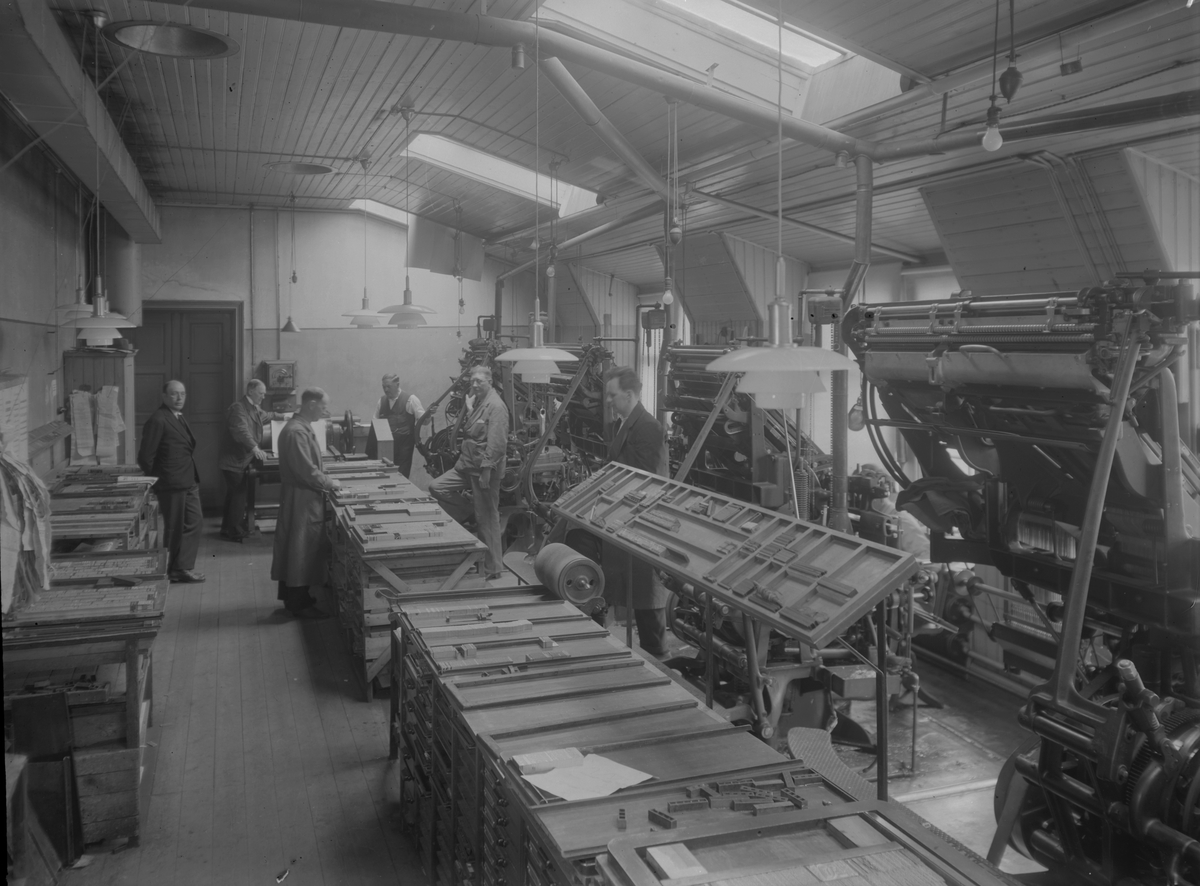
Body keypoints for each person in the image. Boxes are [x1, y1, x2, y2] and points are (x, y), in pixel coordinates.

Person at [602, 366, 669, 656]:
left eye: (612, 395)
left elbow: (650, 479)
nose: (608, 401)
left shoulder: (648, 427)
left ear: (629, 395)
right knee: (631, 585)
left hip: (643, 518)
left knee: (646, 590)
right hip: (622, 513)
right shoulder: (623, 423)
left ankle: (657, 653)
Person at [428, 366, 508, 578]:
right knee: (436, 487)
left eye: (479, 381)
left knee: (487, 521)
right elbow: (478, 429)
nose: (474, 384)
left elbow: (497, 444)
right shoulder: (480, 402)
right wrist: (470, 408)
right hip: (466, 467)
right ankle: (470, 510)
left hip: (482, 471)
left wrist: (486, 471)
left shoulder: (497, 406)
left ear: (490, 382)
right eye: (472, 381)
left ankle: (493, 568)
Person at [271, 387, 341, 618]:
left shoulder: (300, 427)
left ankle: (296, 598)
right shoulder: (296, 432)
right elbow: (306, 470)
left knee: (296, 548)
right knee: (300, 549)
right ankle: (298, 604)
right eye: (323, 406)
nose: (325, 411)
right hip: (301, 498)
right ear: (311, 405)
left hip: (303, 496)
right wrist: (330, 483)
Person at [138, 380, 205, 584]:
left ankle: (181, 566)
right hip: (171, 483)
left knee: (194, 522)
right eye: (174, 394)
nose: (179, 398)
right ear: (164, 396)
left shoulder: (177, 417)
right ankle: (175, 570)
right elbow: (145, 457)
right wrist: (160, 481)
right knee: (175, 527)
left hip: (187, 479)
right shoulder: (158, 419)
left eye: (182, 394)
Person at [217, 379, 280, 542]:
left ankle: (227, 528)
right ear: (251, 391)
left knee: (233, 495)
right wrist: (255, 449)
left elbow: (268, 416)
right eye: (261, 393)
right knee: (238, 494)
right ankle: (236, 532)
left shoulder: (253, 407)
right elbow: (241, 431)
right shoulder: (238, 408)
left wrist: (287, 416)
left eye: (264, 394)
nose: (263, 397)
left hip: (240, 460)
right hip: (234, 461)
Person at [375, 373, 425, 478]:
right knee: (385, 475)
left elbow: (424, 421)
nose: (386, 390)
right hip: (386, 448)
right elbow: (376, 424)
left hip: (404, 448)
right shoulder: (381, 401)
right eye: (383, 387)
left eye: (388, 386)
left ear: (397, 385)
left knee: (401, 476)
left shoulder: (411, 400)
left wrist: (427, 416)